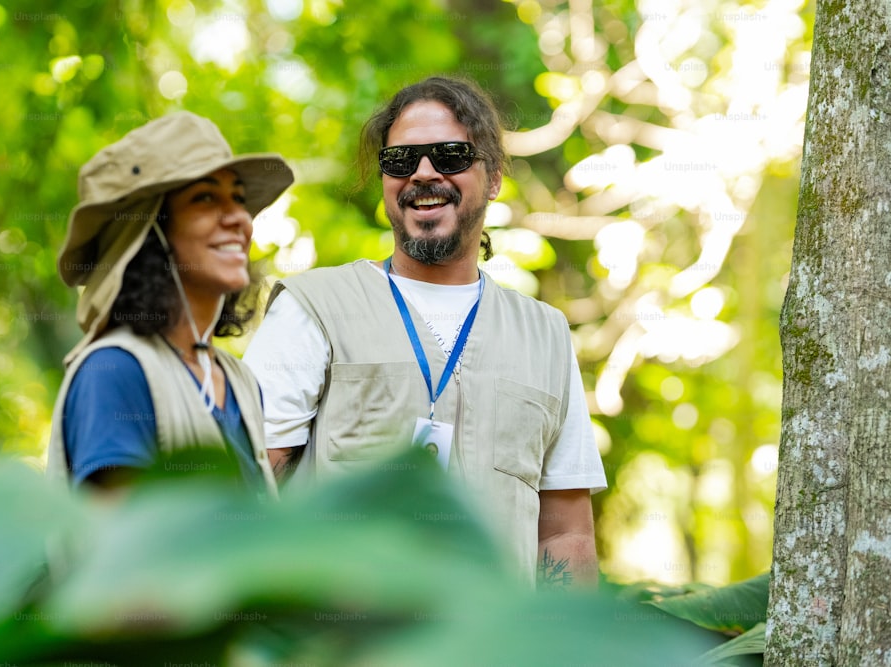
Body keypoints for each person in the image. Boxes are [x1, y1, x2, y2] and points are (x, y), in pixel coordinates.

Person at [243, 76, 607, 586]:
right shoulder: (313, 309)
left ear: (495, 177)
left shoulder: (545, 334)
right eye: (401, 160)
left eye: (451, 155)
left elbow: (565, 536)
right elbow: (250, 488)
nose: (423, 173)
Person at [46, 111, 293, 498]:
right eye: (205, 197)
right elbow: (122, 551)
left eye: (239, 198)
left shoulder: (240, 381)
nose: (239, 218)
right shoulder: (114, 371)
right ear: (148, 232)